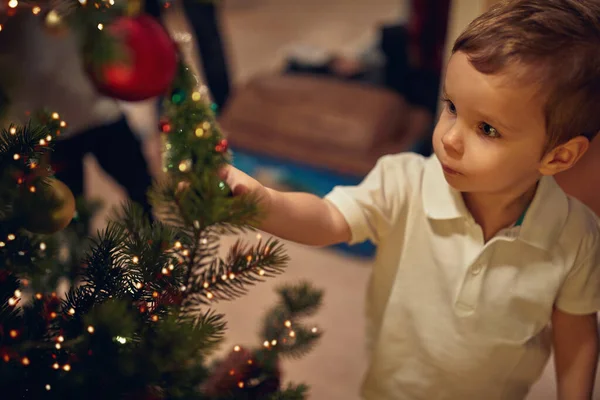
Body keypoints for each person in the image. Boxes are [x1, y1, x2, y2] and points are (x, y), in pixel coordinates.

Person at [219, 0, 600, 398]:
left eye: (487, 128)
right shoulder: (405, 181)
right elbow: (327, 219)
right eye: (451, 108)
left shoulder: (576, 238)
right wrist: (261, 201)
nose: (450, 139)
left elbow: (577, 338)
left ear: (558, 156)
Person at [0, 14, 154, 220]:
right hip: (46, 128)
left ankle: (154, 238)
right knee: (71, 217)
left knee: (142, 188)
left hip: (97, 109)